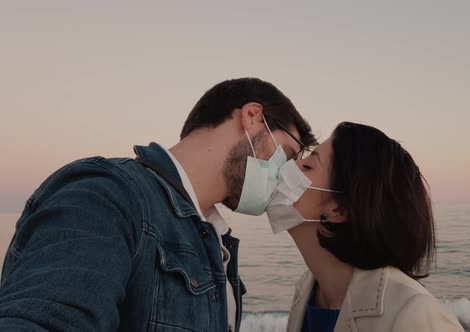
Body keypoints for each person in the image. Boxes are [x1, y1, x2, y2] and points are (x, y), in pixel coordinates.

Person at [0, 77, 316, 332]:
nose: (282, 177)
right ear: (252, 118)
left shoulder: (214, 239)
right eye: (286, 156)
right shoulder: (109, 194)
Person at [265, 122, 464, 332]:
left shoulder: (416, 315)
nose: (289, 166)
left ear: (339, 210)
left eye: (308, 166)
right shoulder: (308, 291)